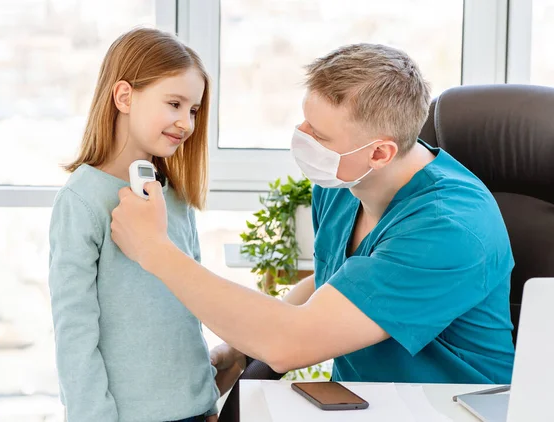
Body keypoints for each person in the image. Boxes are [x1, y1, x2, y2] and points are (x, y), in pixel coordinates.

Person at [110, 43, 516, 396]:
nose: (301, 137)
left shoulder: (451, 228)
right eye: (306, 120)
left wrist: (155, 250)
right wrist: (240, 352)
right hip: (362, 402)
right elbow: (333, 281)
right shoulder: (342, 181)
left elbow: (293, 342)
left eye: (319, 136)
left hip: (449, 409)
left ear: (380, 153)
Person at [48, 28, 219, 422]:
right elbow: (74, 332)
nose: (187, 123)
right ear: (124, 96)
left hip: (193, 410)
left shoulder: (173, 196)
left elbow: (187, 311)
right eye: (174, 103)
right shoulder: (82, 200)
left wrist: (206, 399)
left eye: (193, 110)